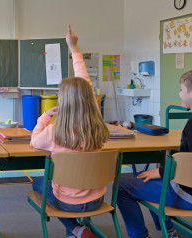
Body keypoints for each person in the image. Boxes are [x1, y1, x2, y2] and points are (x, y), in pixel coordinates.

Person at [30, 25, 110, 238]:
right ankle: (78, 229)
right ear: (89, 100)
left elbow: (34, 141)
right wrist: (74, 48)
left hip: (68, 203)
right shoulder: (97, 124)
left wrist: (46, 116)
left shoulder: (55, 131)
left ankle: (75, 228)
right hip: (97, 199)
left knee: (38, 182)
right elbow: (85, 84)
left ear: (62, 101)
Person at [117, 71, 192, 238]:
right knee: (153, 178)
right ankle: (169, 230)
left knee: (121, 185)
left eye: (181, 89)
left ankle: (141, 235)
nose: (179, 93)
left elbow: (186, 166)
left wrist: (159, 172)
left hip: (187, 195)